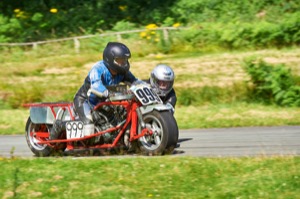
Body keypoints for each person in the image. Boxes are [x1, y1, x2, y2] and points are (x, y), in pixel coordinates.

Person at [50, 42, 138, 140]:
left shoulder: (122, 72)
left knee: (121, 118)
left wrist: (146, 85)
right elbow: (96, 86)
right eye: (120, 60)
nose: (123, 64)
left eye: (125, 60)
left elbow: (135, 81)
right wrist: (109, 93)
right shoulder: (98, 69)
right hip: (85, 101)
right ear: (110, 59)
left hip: (104, 102)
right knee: (88, 127)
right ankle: (59, 125)